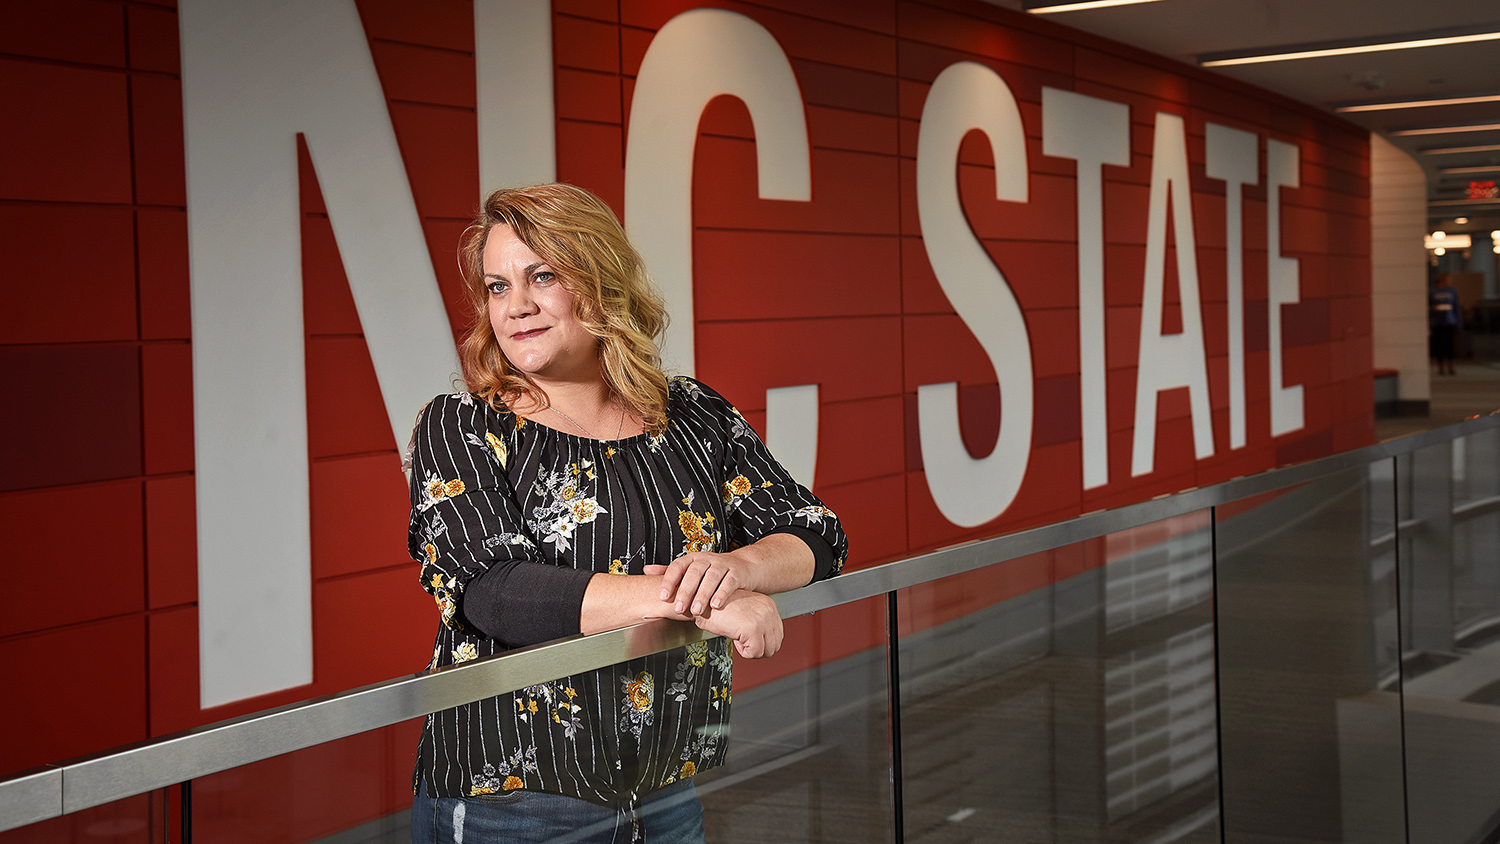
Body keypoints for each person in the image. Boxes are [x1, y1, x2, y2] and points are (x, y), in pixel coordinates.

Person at [404, 183, 848, 844]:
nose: (516, 307)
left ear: (601, 280)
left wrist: (732, 571)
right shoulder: (465, 427)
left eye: (542, 277)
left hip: (664, 791)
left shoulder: (691, 413)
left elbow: (816, 532)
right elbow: (495, 592)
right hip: (515, 800)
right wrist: (696, 605)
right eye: (498, 287)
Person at [1430, 275, 1462, 376]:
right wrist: (1434, 308)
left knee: (1450, 344)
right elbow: (1428, 305)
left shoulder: (1452, 291)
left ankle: (1451, 365)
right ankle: (1440, 366)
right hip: (1437, 321)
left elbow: (1456, 306)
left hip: (1449, 320)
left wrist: (1458, 321)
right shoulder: (1432, 291)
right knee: (1438, 344)